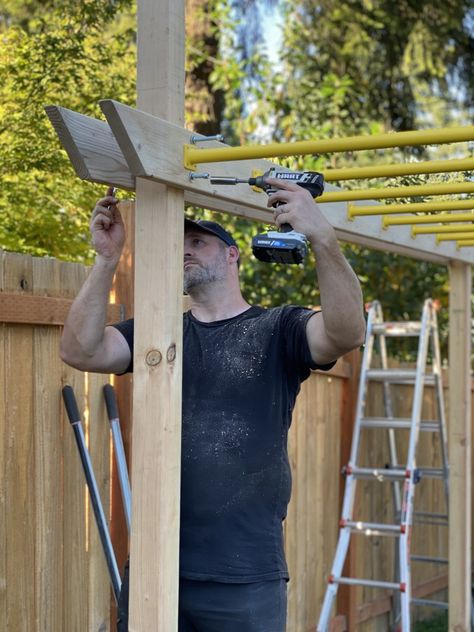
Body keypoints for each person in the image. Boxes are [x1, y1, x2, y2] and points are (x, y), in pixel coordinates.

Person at [60, 180, 366, 632]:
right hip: (154, 568)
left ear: (232, 254)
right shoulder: (158, 334)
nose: (186, 250)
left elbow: (346, 333)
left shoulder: (277, 329)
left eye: (198, 242)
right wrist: (107, 259)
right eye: (180, 244)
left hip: (244, 577)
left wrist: (322, 237)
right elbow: (79, 351)